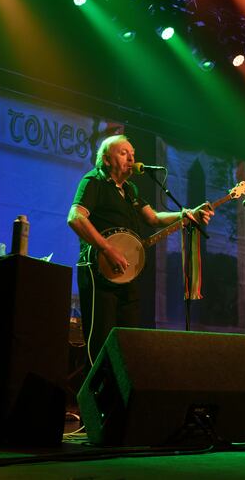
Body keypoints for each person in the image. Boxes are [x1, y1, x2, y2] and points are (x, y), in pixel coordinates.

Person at [67, 134, 212, 365]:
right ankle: (96, 394)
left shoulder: (131, 190)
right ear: (106, 159)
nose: (131, 158)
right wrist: (107, 249)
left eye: (132, 154)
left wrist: (187, 213)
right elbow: (75, 217)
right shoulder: (93, 181)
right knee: (101, 337)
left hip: (127, 273)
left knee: (128, 338)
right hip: (98, 271)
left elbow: (153, 218)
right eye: (124, 153)